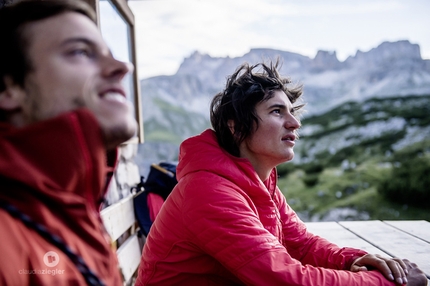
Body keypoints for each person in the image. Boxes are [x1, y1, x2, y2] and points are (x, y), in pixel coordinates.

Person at [136, 60, 427, 286]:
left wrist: (357, 259)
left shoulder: (259, 182)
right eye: (277, 112)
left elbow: (302, 243)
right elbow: (285, 279)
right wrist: (382, 281)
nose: (294, 123)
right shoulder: (209, 191)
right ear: (235, 126)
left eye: (292, 112)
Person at [0, 0, 137, 285]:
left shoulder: (75, 211)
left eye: (110, 54)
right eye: (80, 52)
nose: (123, 66)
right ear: (9, 88)